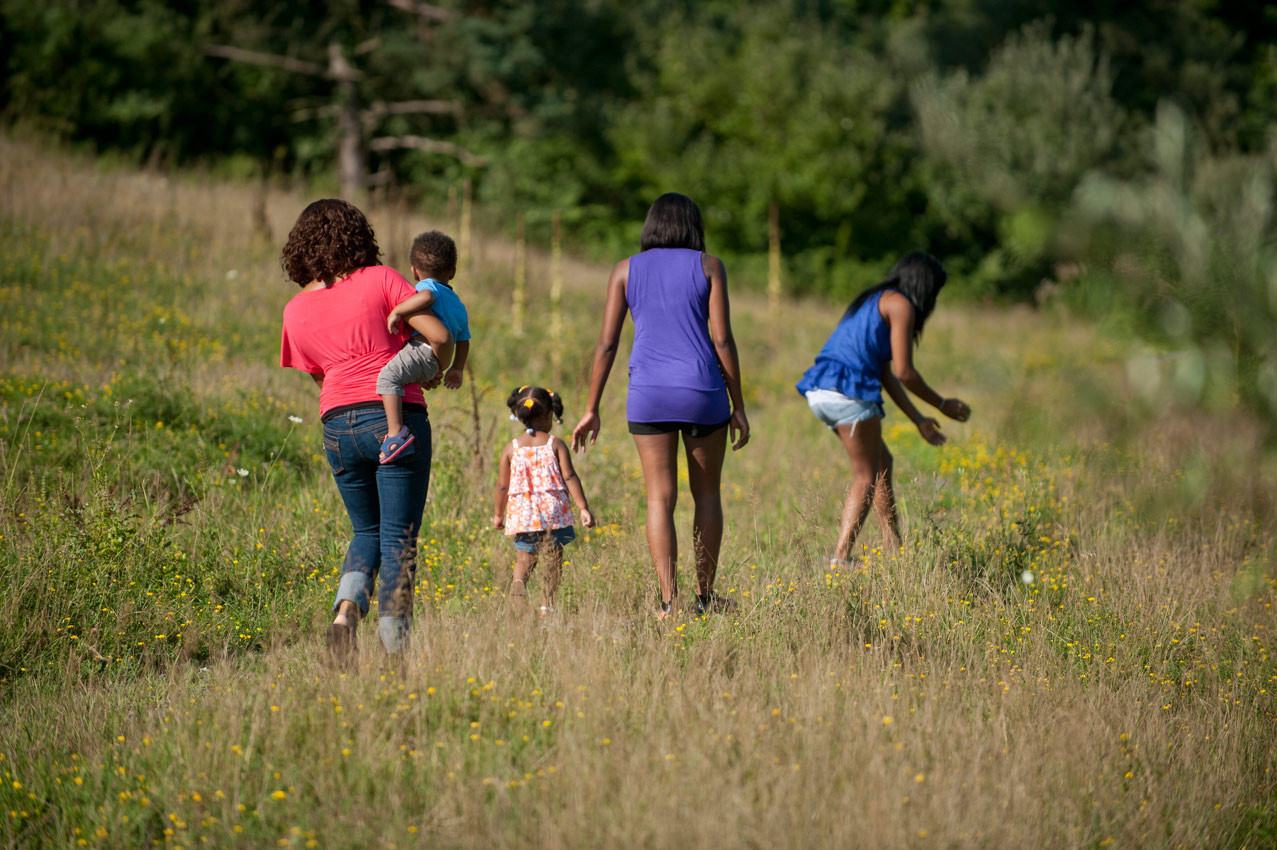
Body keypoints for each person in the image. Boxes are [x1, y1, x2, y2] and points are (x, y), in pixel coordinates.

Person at [279, 199, 452, 658]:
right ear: (358, 235)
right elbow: (438, 335)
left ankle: (345, 613)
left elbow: (320, 375)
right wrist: (433, 370)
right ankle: (395, 655)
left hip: (336, 425)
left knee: (365, 532)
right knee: (398, 540)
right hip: (393, 419)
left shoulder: (294, 309)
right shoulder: (380, 279)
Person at [572, 193, 749, 620]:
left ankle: (669, 603)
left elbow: (607, 343)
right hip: (702, 391)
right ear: (693, 225)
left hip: (648, 393)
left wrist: (591, 406)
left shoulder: (624, 270)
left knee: (659, 498)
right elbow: (722, 339)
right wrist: (738, 405)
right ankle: (705, 599)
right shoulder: (709, 266)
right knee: (706, 495)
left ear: (651, 225)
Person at [795, 251, 971, 567]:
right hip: (848, 392)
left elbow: (886, 373)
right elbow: (905, 371)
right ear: (927, 286)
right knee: (866, 475)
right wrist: (943, 405)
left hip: (822, 388)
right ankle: (840, 558)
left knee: (881, 462)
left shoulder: (873, 300)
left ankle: (893, 547)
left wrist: (919, 419)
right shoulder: (901, 305)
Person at [494, 386, 595, 616]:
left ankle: (517, 593)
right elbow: (569, 476)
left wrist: (499, 514)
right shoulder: (555, 444)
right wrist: (583, 508)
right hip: (553, 513)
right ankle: (546, 606)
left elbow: (502, 486)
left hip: (524, 513)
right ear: (550, 415)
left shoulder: (511, 449)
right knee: (553, 558)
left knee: (524, 558)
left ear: (519, 415)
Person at [377, 230, 471, 463]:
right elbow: (464, 340)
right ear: (453, 272)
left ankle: (395, 433)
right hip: (435, 361)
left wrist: (398, 311)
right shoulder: (458, 304)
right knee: (400, 376)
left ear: (414, 271)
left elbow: (427, 296)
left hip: (422, 351)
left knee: (387, 379)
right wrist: (456, 368)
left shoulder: (426, 286)